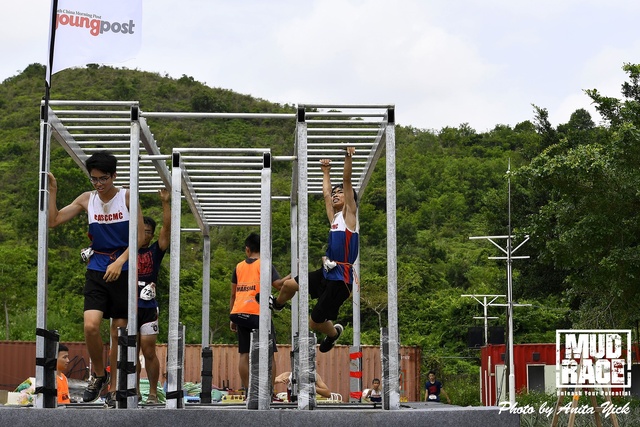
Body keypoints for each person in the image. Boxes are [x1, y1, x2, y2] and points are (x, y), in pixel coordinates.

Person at [47, 151, 145, 404]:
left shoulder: (127, 197)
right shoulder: (86, 199)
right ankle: (99, 375)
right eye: (94, 179)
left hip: (123, 269)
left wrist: (120, 262)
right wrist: (53, 191)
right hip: (97, 267)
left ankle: (114, 387)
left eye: (103, 179)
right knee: (91, 326)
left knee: (117, 333)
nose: (99, 184)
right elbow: (53, 221)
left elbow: (140, 237)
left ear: (114, 176)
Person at [271, 147, 359, 353]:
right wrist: (325, 171)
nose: (336, 195)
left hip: (340, 280)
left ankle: (333, 334)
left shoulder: (350, 216)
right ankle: (277, 305)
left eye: (340, 193)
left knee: (314, 323)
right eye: (335, 193)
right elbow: (326, 195)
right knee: (288, 285)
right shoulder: (335, 219)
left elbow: (347, 181)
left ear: (349, 198)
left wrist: (347, 157)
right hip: (327, 272)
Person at [229, 232, 290, 392]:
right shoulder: (265, 264)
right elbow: (278, 285)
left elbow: (233, 294)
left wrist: (232, 318)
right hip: (258, 314)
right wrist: (291, 275)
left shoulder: (238, 267)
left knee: (244, 353)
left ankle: (249, 391)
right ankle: (268, 392)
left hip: (239, 313)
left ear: (247, 249)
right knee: (269, 353)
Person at [136, 188, 171, 405]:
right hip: (127, 307)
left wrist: (165, 202)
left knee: (149, 351)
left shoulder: (155, 251)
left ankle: (152, 394)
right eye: (141, 229)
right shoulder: (125, 250)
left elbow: (167, 229)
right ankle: (134, 391)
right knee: (130, 352)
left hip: (148, 307)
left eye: (148, 231)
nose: (144, 234)